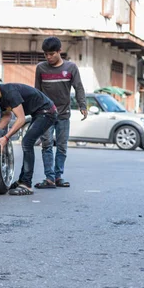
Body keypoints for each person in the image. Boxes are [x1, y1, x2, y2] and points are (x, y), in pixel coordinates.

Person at [0, 79, 57, 196]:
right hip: (38, 113)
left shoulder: (10, 93)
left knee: (27, 143)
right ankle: (23, 180)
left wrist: (6, 137)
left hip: (47, 112)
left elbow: (21, 119)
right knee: (27, 143)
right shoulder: (0, 96)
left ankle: (26, 184)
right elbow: (7, 116)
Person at [34, 37, 87, 189]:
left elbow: (79, 87)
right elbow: (37, 92)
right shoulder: (41, 68)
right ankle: (49, 178)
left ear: (59, 51)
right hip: (45, 114)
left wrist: (83, 105)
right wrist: (35, 111)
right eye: (46, 54)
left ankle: (58, 176)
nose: (48, 57)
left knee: (62, 146)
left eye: (51, 54)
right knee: (47, 145)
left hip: (64, 114)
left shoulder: (71, 68)